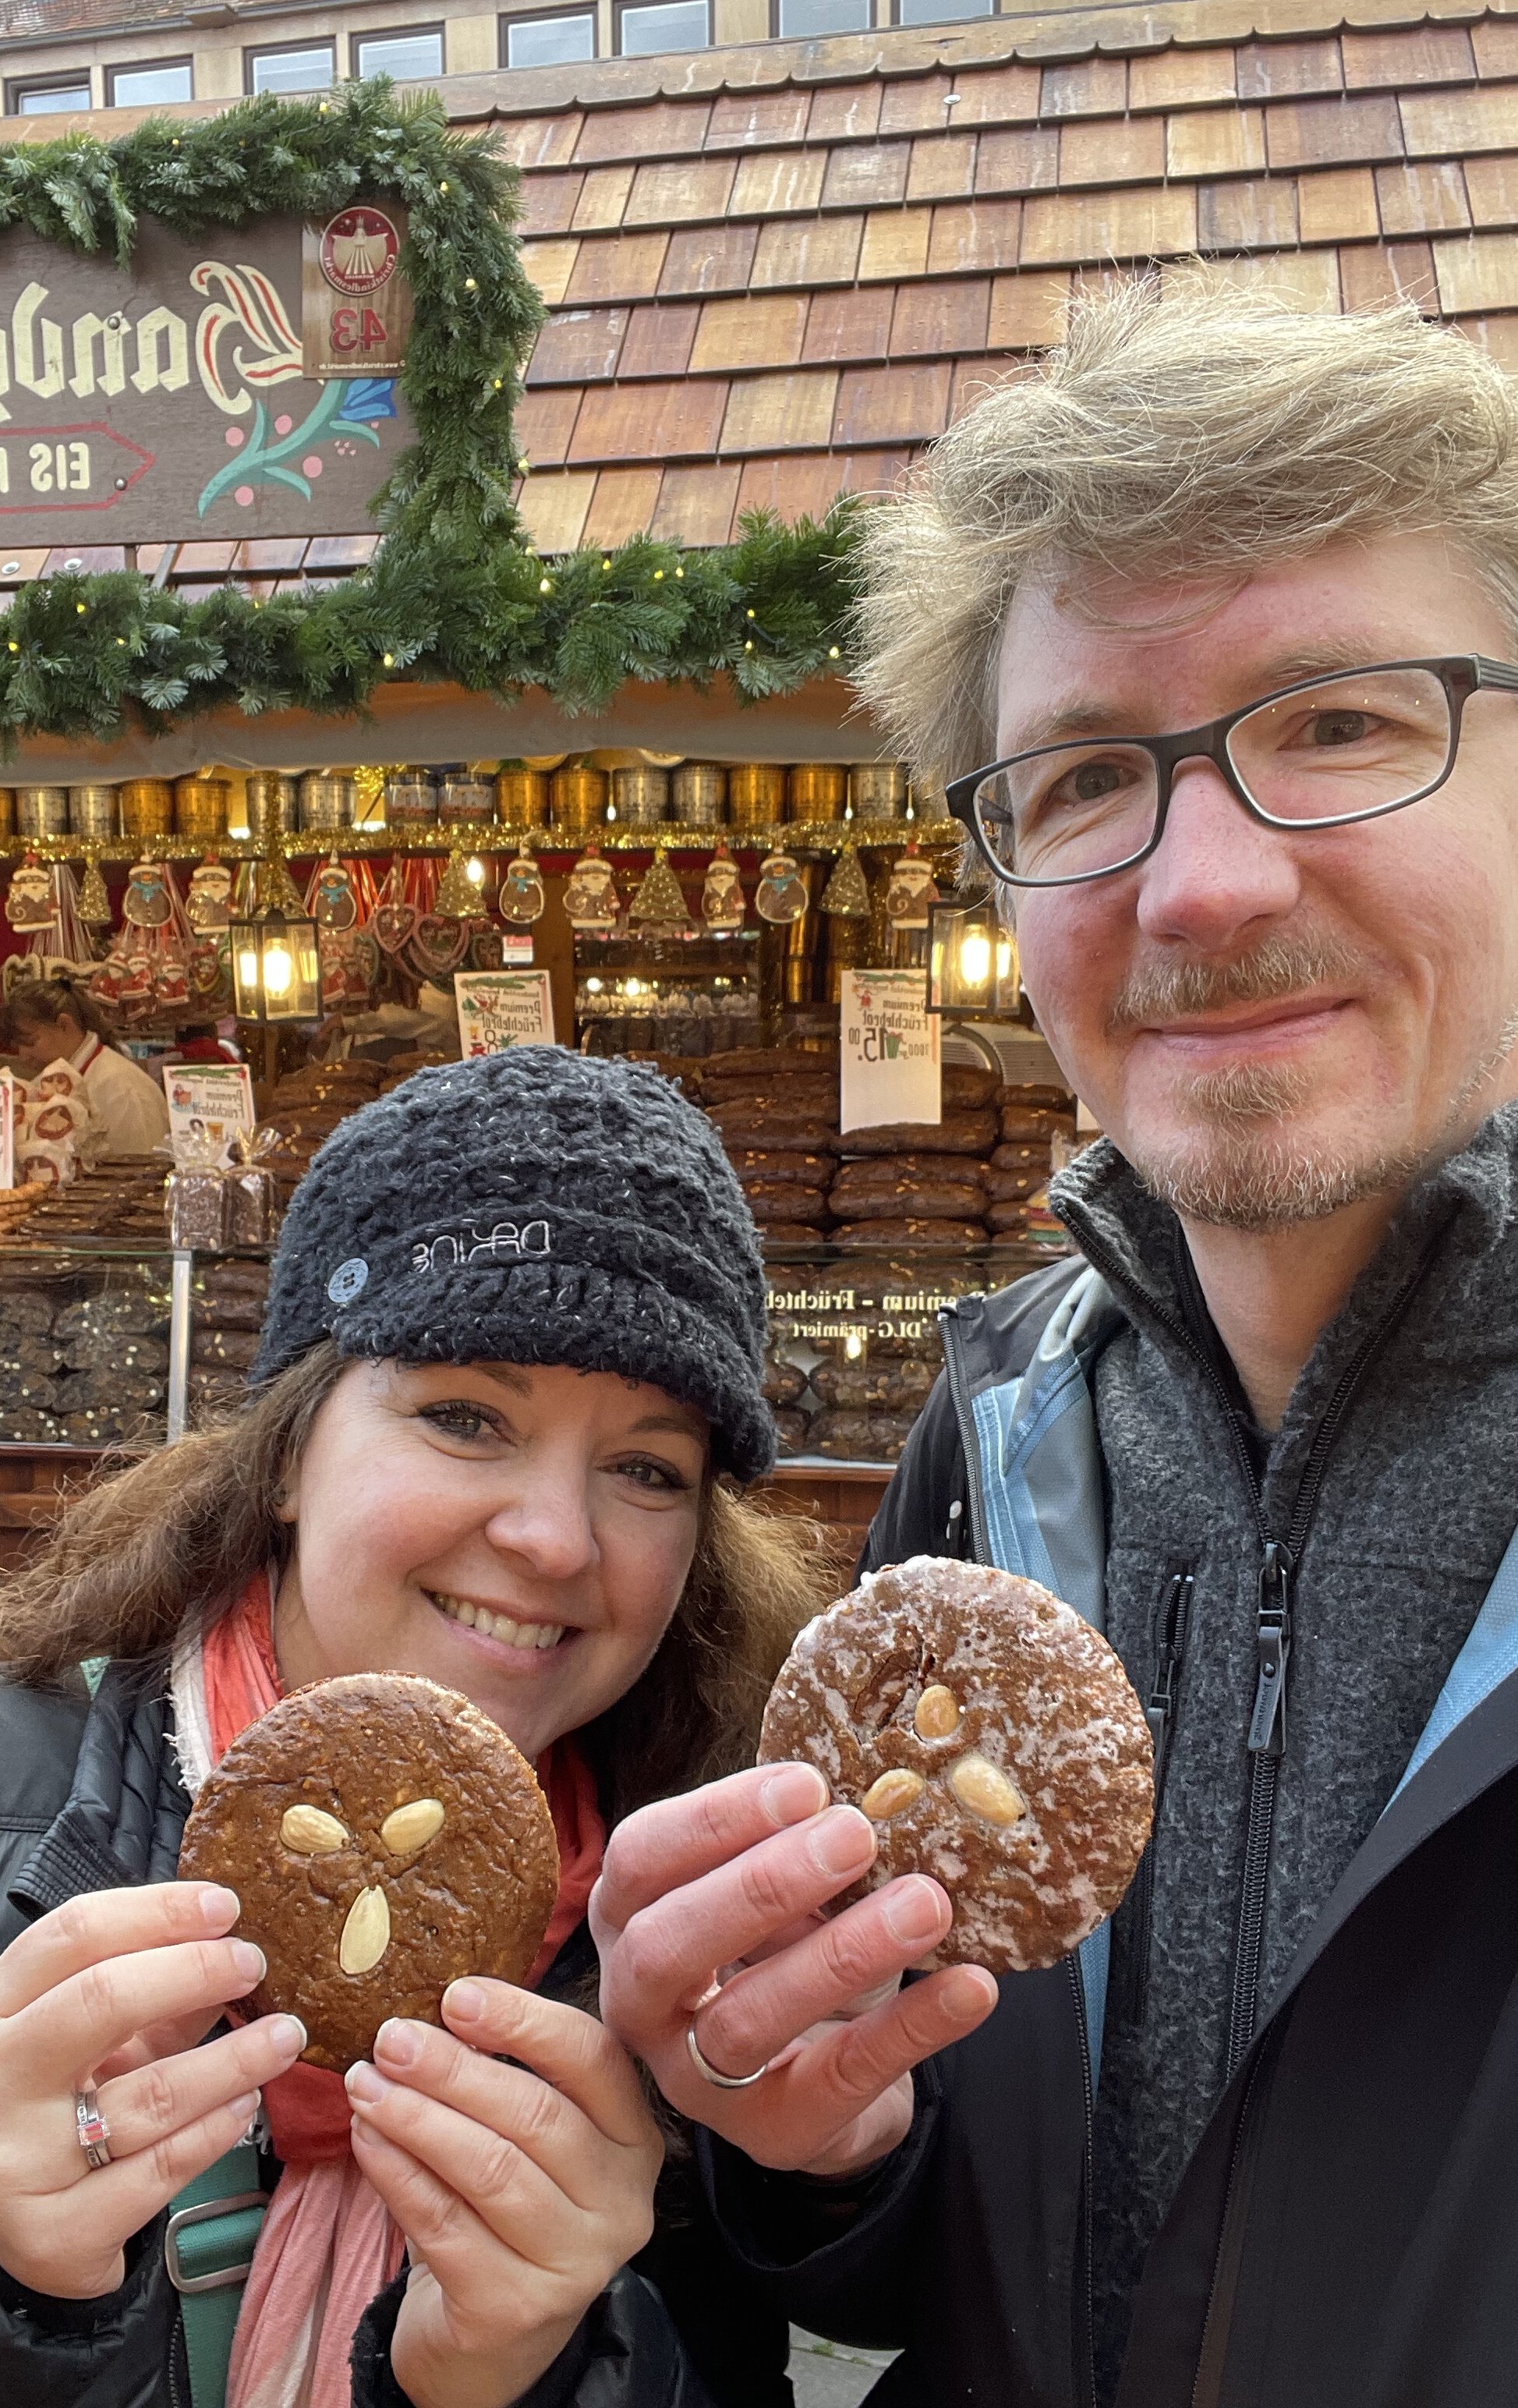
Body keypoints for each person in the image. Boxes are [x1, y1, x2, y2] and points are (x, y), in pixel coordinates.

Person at [593, 283, 1518, 2408]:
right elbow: (952, 2273)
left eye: (1339, 720)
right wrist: (817, 2151)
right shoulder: (1003, 1434)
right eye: (1088, 775)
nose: (1196, 883)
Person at [0, 1050, 832, 2408]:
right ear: (292, 1449)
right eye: (465, 1416)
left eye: (647, 1467)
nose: (552, 1536)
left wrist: (524, 2373)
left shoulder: (699, 1976)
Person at [0, 976, 171, 1158]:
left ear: (65, 1025)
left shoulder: (123, 1088)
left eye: (31, 1043)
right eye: (18, 1046)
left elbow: (142, 1177)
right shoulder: (45, 1081)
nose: (23, 1057)